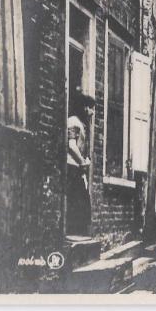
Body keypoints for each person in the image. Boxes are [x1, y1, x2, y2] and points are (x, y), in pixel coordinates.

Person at [66, 93, 94, 236]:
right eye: (89, 107)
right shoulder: (73, 121)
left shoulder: (82, 124)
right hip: (71, 167)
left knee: (82, 204)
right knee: (76, 202)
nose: (92, 111)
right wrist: (82, 162)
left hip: (78, 169)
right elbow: (71, 145)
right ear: (83, 108)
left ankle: (79, 234)